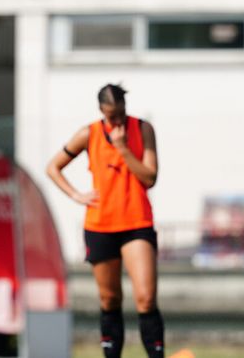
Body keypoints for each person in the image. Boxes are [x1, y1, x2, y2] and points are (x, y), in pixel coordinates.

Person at [46, 84, 164, 358]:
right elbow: (53, 167)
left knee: (146, 298)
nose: (118, 120)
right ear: (101, 111)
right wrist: (76, 194)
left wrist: (123, 149)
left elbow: (150, 177)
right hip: (100, 226)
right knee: (110, 299)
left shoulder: (142, 129)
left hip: (137, 223)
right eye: (112, 115)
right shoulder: (90, 133)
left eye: (121, 113)